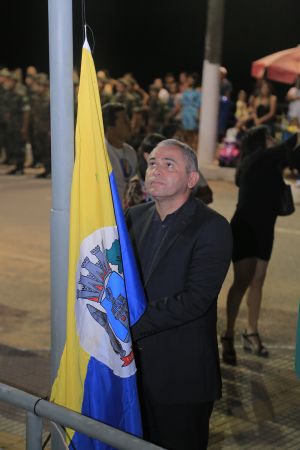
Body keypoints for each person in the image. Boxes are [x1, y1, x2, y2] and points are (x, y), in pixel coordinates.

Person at [126, 139, 232, 450]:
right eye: (153, 163)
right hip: (133, 373)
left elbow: (196, 299)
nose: (155, 170)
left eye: (169, 164)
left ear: (192, 179)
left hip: (181, 378)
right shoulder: (135, 217)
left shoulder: (212, 227)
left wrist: (129, 325)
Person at [221, 126, 300, 365]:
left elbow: (294, 155)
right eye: (268, 137)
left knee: (258, 279)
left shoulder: (271, 164)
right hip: (245, 228)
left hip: (265, 229)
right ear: (258, 143)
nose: (273, 140)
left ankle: (251, 331)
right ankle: (228, 333)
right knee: (243, 280)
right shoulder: (256, 159)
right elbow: (287, 148)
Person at [102, 102, 137, 204]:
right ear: (110, 127)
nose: (130, 124)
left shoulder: (130, 152)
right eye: (124, 121)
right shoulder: (101, 154)